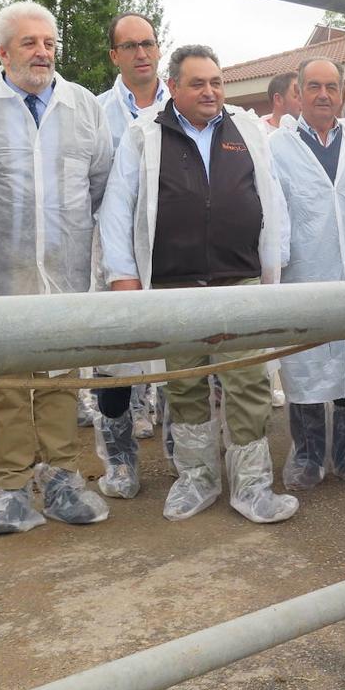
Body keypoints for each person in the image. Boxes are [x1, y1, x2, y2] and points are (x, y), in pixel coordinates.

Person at [99, 44, 298, 524]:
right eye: (197, 83)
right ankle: (197, 479)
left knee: (247, 381)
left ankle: (252, 486)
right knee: (184, 384)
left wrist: (275, 267)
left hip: (240, 279)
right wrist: (123, 276)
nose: (210, 91)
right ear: (174, 87)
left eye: (216, 82)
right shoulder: (145, 135)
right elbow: (118, 207)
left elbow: (272, 200)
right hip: (174, 284)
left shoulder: (246, 129)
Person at [0, 0, 112, 534]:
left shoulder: (84, 106)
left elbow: (100, 184)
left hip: (63, 272)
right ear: (2, 51)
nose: (42, 53)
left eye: (48, 43)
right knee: (8, 388)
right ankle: (12, 489)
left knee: (62, 381)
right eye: (29, 43)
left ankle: (64, 480)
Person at [270, 57, 345, 490]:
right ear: (298, 92)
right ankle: (307, 456)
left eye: (332, 88)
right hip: (305, 271)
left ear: (343, 94)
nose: (323, 95)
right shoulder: (277, 148)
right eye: (314, 87)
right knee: (306, 362)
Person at [91, 12, 171, 468]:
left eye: (148, 44)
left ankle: (184, 457)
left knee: (179, 353)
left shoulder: (179, 103)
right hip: (114, 248)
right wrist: (116, 265)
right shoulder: (97, 112)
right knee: (114, 356)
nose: (141, 53)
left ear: (159, 49)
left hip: (171, 249)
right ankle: (119, 461)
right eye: (130, 46)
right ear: (115, 56)